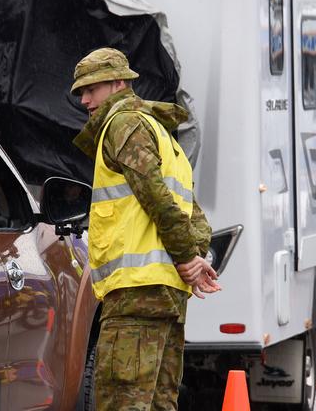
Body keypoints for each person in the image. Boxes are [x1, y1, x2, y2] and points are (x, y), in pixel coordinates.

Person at [71, 47, 220, 410]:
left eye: (93, 88)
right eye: (80, 92)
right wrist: (196, 259)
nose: (85, 99)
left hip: (136, 298)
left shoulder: (122, 124)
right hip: (166, 297)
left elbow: (156, 197)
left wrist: (189, 259)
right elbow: (194, 214)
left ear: (119, 83)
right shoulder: (161, 132)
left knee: (121, 403)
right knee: (158, 405)